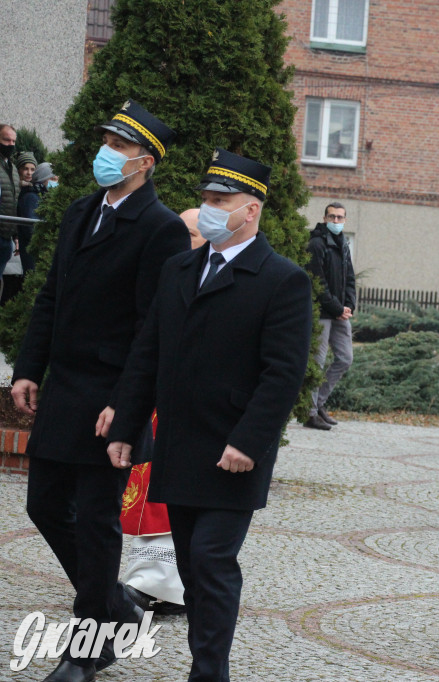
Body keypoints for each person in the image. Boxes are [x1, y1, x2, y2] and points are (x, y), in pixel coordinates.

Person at [106, 149, 313, 680]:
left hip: (232, 452)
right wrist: (128, 426)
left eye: (221, 200)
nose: (210, 208)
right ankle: (206, 664)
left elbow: (282, 374)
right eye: (205, 199)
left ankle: (209, 672)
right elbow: (147, 353)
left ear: (251, 211)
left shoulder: (281, 279)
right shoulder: (180, 267)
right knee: (194, 568)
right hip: (180, 448)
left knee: (211, 561)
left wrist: (249, 442)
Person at [11, 100, 189, 681]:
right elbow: (50, 295)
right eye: (106, 141)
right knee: (43, 505)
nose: (106, 153)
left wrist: (127, 404)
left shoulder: (160, 227)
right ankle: (115, 605)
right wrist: (28, 367)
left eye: (118, 146)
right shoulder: (81, 210)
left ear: (144, 161)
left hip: (112, 396)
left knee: (94, 519)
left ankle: (87, 649)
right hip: (65, 388)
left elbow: (151, 328)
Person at [119, 207, 209, 618]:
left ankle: (163, 584)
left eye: (190, 233)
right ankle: (157, 582)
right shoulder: (172, 274)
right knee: (149, 493)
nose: (183, 239)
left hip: (193, 408)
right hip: (157, 399)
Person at [304, 202, 357, 430]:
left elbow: (350, 278)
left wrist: (348, 305)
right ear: (325, 218)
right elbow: (318, 282)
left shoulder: (343, 243)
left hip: (339, 314)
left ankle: (320, 403)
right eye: (332, 217)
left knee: (345, 358)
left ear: (345, 220)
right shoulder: (316, 244)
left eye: (340, 218)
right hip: (322, 312)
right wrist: (337, 308)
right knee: (317, 361)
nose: (336, 221)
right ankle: (309, 412)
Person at [15, 162, 57, 271]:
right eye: (53, 179)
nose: (56, 183)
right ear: (44, 179)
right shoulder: (31, 197)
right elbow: (31, 228)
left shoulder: (40, 196)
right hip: (34, 253)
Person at [0, 124, 18, 275]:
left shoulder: (12, 168)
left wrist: (15, 235)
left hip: (6, 236)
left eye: (13, 141)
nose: (11, 144)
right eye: (6, 140)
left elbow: (13, 201)